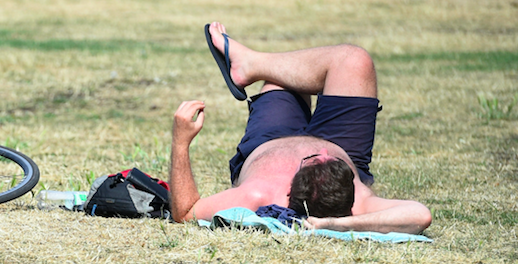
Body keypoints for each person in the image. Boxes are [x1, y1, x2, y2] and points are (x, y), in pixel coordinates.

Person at [169, 22, 432, 234]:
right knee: (354, 59)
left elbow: (185, 212)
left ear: (289, 190)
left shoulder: (257, 193)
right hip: (344, 143)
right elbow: (420, 214)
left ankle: (248, 66)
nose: (323, 153)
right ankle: (249, 64)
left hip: (269, 140)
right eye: (334, 165)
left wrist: (181, 142)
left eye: (314, 161)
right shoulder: (359, 201)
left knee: (281, 82)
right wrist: (339, 224)